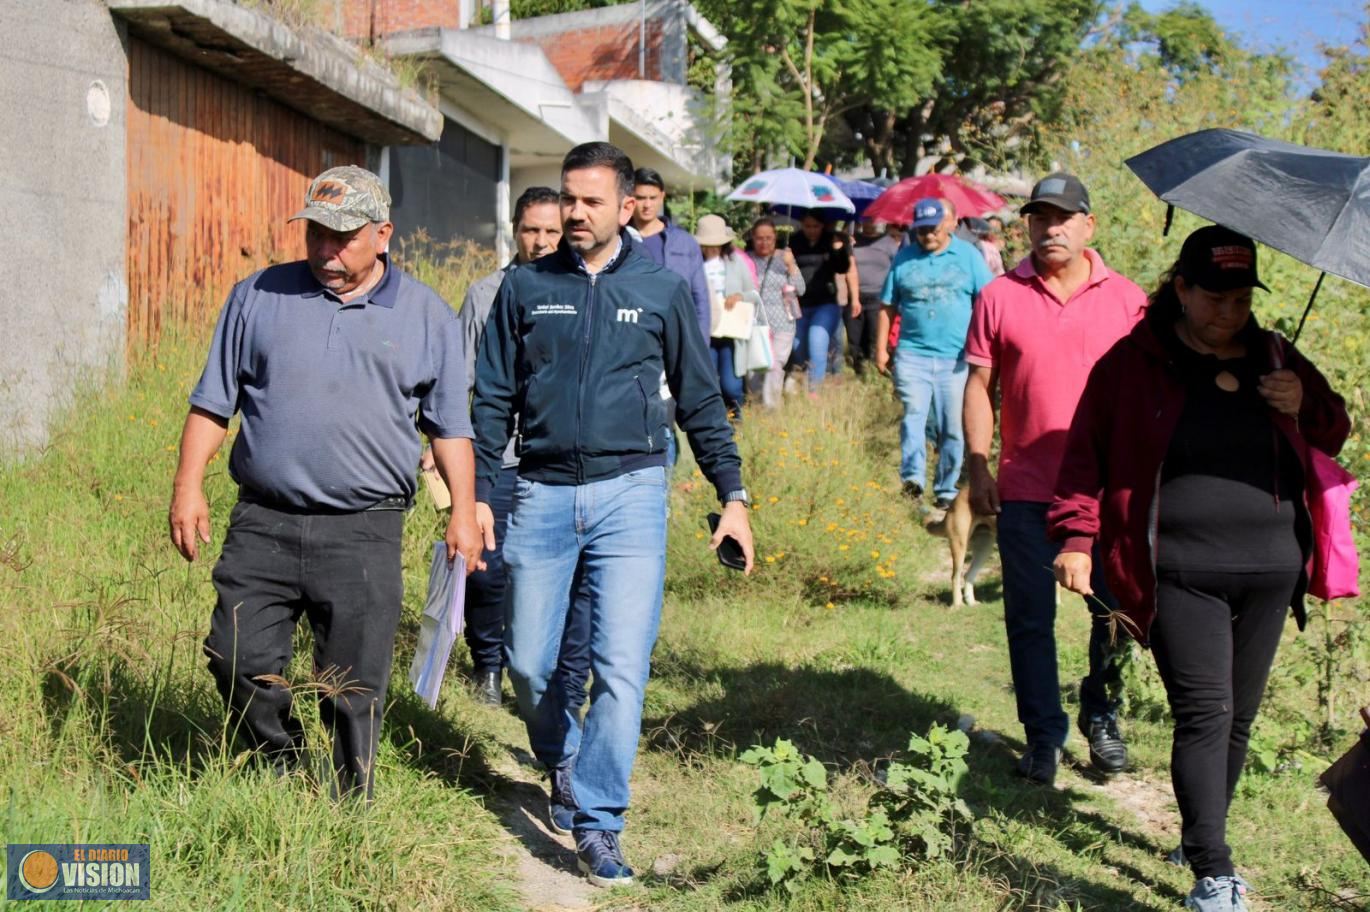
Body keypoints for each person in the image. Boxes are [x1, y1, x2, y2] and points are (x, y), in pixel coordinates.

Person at [471, 142, 755, 888]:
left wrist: (734, 496)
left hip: (632, 492)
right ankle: (560, 756)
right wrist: (471, 494)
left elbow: (698, 399)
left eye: (591, 201)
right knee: (529, 666)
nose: (573, 213)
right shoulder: (526, 286)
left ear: (627, 206)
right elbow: (492, 395)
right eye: (568, 199)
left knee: (621, 668)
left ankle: (600, 823)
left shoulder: (661, 290)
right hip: (539, 491)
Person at [1048, 226, 1349, 912]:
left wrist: (1301, 404)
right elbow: (1085, 456)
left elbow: (1334, 427)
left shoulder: (1276, 355)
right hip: (1179, 568)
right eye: (1214, 297)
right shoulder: (1134, 364)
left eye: (1241, 298)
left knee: (1237, 716)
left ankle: (1198, 828)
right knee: (1206, 712)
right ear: (1180, 289)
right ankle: (1213, 871)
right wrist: (1075, 536)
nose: (1228, 312)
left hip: (1272, 568)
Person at [169, 165, 484, 800]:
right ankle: (277, 763)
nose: (324, 248)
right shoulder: (258, 295)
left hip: (364, 529)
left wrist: (464, 512)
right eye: (315, 232)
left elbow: (449, 427)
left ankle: (349, 805)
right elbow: (212, 403)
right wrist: (187, 485)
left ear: (384, 234)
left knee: (354, 680)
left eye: (343, 236)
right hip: (264, 521)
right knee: (235, 655)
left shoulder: (425, 314)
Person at [963, 172, 1144, 786]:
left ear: (1089, 226)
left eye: (1064, 218)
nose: (1052, 229)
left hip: (1109, 493)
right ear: (1028, 227)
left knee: (1114, 613)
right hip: (1026, 485)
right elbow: (979, 387)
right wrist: (977, 464)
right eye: (1041, 218)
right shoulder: (999, 295)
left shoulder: (1128, 299)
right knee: (1029, 619)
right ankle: (1043, 734)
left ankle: (1103, 712)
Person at [443, 186, 589, 709]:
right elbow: (457, 380)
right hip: (497, 456)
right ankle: (487, 666)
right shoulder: (485, 294)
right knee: (489, 568)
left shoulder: (582, 292)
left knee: (557, 571)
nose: (543, 241)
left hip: (558, 457)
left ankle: (556, 673)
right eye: (532, 230)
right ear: (514, 231)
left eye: (553, 230)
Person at [876, 198, 992, 514]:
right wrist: (881, 349)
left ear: (948, 224)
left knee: (952, 424)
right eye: (922, 229)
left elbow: (989, 301)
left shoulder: (968, 256)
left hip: (956, 357)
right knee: (913, 416)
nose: (928, 235)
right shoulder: (904, 258)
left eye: (934, 229)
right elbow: (887, 305)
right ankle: (912, 480)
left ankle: (946, 488)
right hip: (912, 354)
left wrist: (988, 347)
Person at [631, 167, 710, 341]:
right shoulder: (619, 239)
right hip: (634, 335)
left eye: (653, 198)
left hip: (677, 333)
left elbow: (700, 298)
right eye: (641, 198)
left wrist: (701, 345)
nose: (647, 205)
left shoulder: (684, 242)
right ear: (630, 199)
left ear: (662, 197)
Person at [696, 214, 761, 420]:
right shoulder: (694, 265)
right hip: (704, 332)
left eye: (716, 244)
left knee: (731, 385)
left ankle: (737, 420)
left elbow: (753, 294)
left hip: (732, 334)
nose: (712, 248)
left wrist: (738, 296)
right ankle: (716, 423)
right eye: (707, 244)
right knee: (709, 383)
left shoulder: (736, 263)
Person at [788, 211, 854, 395]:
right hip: (800, 303)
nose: (811, 230)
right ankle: (801, 382)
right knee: (798, 347)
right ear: (802, 224)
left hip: (826, 302)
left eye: (815, 226)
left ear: (823, 226)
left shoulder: (831, 240)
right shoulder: (793, 241)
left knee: (816, 338)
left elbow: (842, 267)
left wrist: (838, 250)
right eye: (807, 226)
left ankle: (814, 391)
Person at [746, 217, 805, 408]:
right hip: (754, 323)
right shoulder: (746, 260)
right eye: (759, 238)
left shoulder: (785, 258)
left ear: (775, 238)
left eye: (768, 238)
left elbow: (801, 289)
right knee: (754, 369)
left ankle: (771, 409)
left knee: (774, 365)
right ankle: (755, 406)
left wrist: (791, 266)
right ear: (753, 238)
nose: (764, 243)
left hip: (782, 323)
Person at [848, 218, 897, 376]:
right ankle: (858, 371)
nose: (870, 224)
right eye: (866, 220)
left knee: (873, 336)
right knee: (854, 339)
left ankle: (875, 370)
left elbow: (896, 266)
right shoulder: (853, 240)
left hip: (878, 296)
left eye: (873, 220)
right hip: (854, 295)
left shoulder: (888, 242)